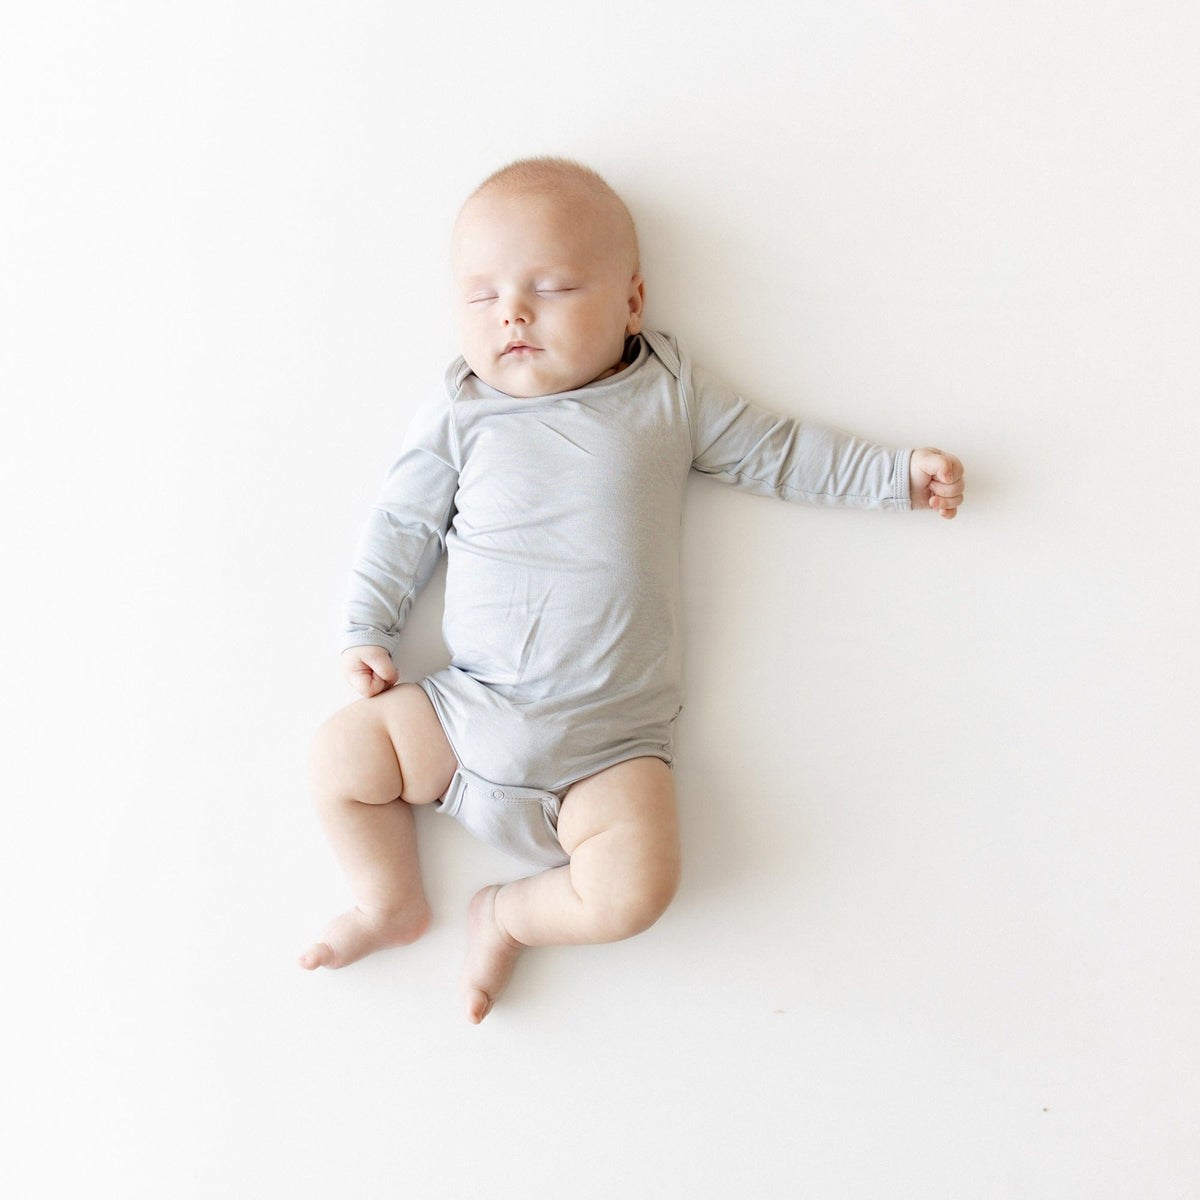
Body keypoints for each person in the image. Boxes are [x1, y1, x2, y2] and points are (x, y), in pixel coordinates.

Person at [299, 156, 965, 1023]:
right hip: (469, 715)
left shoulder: (667, 395)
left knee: (635, 891)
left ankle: (508, 915)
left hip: (609, 750)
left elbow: (782, 451)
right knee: (339, 758)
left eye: (554, 287)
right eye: (482, 296)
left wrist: (898, 476)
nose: (513, 312)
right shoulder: (461, 411)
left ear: (631, 305)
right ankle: (389, 902)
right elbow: (400, 524)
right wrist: (366, 630)